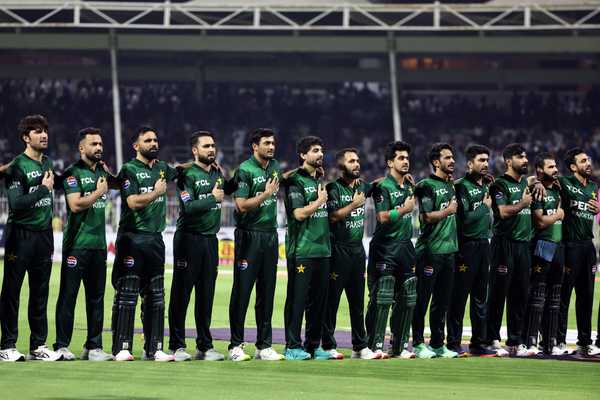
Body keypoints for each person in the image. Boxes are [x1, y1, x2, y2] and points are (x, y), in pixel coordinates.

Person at [111, 126, 179, 362]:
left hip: (155, 239)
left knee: (156, 295)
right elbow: (132, 202)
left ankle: (155, 348)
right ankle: (122, 347)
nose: (154, 143)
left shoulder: (162, 168)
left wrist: (203, 164)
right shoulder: (129, 169)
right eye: (148, 140)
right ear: (136, 146)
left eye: (155, 140)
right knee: (127, 293)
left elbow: (180, 170)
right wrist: (156, 193)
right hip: (132, 238)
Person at [168, 131, 236, 362]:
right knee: (181, 294)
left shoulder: (217, 173)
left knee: (206, 296)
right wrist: (212, 198)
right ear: (195, 150)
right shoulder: (186, 175)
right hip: (188, 239)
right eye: (206, 146)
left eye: (213, 145)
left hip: (210, 240)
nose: (211, 149)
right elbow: (188, 207)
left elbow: (229, 188)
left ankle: (205, 346)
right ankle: (177, 346)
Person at [0, 114, 62, 362]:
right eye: (37, 131)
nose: (44, 134)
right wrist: (43, 189)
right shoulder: (17, 166)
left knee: (40, 291)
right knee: (12, 291)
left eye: (45, 130)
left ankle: (38, 345)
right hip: (20, 234)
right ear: (26, 138)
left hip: (44, 235)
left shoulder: (47, 162)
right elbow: (16, 204)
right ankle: (7, 345)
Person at [52, 127, 114, 361]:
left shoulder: (103, 171)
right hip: (76, 245)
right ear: (81, 148)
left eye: (100, 144)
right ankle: (61, 345)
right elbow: (75, 204)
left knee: (96, 298)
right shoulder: (72, 172)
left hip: (98, 245)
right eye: (93, 144)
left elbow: (119, 183)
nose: (99, 147)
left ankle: (94, 347)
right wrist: (99, 192)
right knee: (68, 296)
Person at [227, 128, 284, 361]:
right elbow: (241, 205)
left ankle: (264, 346)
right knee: (242, 291)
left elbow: (286, 177)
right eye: (267, 143)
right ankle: (235, 346)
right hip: (249, 235)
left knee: (267, 292)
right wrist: (265, 194)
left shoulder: (275, 166)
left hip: (270, 235)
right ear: (255, 146)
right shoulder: (244, 170)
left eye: (273, 143)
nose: (271, 147)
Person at [322, 148, 379, 360]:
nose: (356, 164)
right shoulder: (333, 188)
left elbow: (376, 184)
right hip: (338, 250)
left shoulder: (362, 186)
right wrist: (354, 205)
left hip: (357, 250)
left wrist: (397, 177)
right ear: (341, 166)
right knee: (332, 301)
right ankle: (328, 346)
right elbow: (332, 216)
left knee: (357, 302)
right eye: (351, 161)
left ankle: (360, 347)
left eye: (357, 160)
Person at [365, 141, 416, 359]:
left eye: (407, 158)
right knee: (382, 295)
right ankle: (374, 344)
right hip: (385, 246)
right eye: (400, 158)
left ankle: (399, 346)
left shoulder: (410, 186)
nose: (405, 161)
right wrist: (404, 210)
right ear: (389, 162)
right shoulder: (383, 187)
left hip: (405, 245)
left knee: (408, 295)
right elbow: (382, 217)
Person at [283, 136, 332, 360]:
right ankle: (292, 346)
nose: (320, 154)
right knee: (297, 301)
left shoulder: (317, 180)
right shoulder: (295, 181)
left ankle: (313, 345)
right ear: (303, 155)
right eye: (314, 150)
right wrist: (319, 201)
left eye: (321, 150)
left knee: (318, 303)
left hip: (323, 251)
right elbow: (299, 214)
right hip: (302, 251)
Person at [446, 145, 496, 357]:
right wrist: (484, 207)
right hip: (466, 247)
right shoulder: (460, 186)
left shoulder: (487, 185)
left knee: (480, 298)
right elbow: (465, 220)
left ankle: (478, 343)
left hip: (484, 245)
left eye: (487, 160)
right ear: (469, 164)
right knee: (458, 298)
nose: (485, 164)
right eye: (481, 160)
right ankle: (453, 343)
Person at [412, 143, 459, 359]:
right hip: (430, 251)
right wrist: (448, 210)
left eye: (452, 157)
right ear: (436, 162)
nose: (452, 161)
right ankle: (418, 344)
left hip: (449, 251)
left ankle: (438, 345)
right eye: (447, 157)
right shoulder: (426, 185)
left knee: (442, 302)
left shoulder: (450, 184)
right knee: (422, 300)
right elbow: (426, 216)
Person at [487, 143, 533, 357]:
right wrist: (523, 203)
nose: (525, 160)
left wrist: (536, 182)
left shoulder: (525, 182)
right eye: (520, 157)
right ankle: (492, 339)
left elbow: (534, 180)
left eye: (525, 156)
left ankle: (516, 341)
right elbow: (503, 212)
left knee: (520, 295)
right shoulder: (499, 185)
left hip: (523, 245)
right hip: (504, 244)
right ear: (508, 161)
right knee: (498, 293)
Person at [556, 148, 600, 356]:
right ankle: (559, 341)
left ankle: (584, 342)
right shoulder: (564, 183)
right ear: (573, 167)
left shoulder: (593, 186)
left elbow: (594, 209)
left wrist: (598, 209)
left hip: (588, 247)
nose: (588, 163)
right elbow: (543, 181)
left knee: (587, 296)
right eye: (583, 161)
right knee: (564, 296)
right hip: (569, 245)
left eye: (588, 159)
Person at [523, 152, 565, 356]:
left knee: (555, 297)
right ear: (540, 170)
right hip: (542, 245)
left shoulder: (557, 190)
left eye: (555, 166)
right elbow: (540, 221)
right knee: (537, 295)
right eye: (550, 167)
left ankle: (550, 342)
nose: (555, 170)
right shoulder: (537, 190)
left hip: (558, 247)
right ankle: (530, 341)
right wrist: (558, 215)